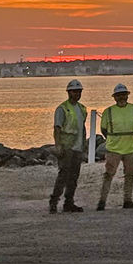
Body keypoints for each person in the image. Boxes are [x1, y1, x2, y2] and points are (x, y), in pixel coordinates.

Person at [98, 82, 133, 211]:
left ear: (127, 96)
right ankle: (102, 201)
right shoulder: (108, 112)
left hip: (130, 148)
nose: (121, 97)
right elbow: (104, 129)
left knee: (130, 175)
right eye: (119, 95)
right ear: (114, 97)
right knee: (108, 175)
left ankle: (127, 200)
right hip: (114, 149)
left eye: (123, 95)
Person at [49, 79, 86, 213]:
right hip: (66, 147)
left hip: (77, 147)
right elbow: (57, 128)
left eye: (79, 91)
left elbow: (82, 128)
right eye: (75, 91)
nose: (77, 94)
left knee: (74, 177)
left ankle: (68, 203)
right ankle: (54, 202)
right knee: (63, 175)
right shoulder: (62, 109)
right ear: (69, 92)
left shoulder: (82, 109)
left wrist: (83, 146)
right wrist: (58, 145)